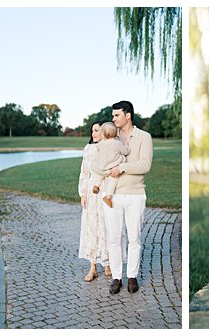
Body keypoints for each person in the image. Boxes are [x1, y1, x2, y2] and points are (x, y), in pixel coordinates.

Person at [103, 101, 153, 295]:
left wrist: (122, 168)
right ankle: (116, 277)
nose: (113, 119)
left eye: (116, 115)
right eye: (113, 116)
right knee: (114, 238)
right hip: (112, 195)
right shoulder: (109, 136)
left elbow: (145, 165)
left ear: (128, 115)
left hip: (135, 195)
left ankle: (132, 276)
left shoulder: (144, 137)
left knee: (134, 238)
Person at [77, 122, 110, 282]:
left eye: (96, 130)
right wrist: (83, 193)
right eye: (92, 131)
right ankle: (93, 267)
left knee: (106, 226)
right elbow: (84, 172)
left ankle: (107, 262)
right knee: (91, 227)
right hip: (91, 192)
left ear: (104, 131)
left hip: (104, 190)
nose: (93, 133)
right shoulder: (88, 149)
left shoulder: (110, 147)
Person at [89, 122, 130, 208]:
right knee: (113, 180)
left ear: (103, 135)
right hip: (112, 168)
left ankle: (96, 185)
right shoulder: (117, 144)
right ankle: (108, 197)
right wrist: (126, 145)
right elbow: (126, 151)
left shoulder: (100, 145)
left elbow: (97, 155)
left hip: (102, 167)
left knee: (100, 175)